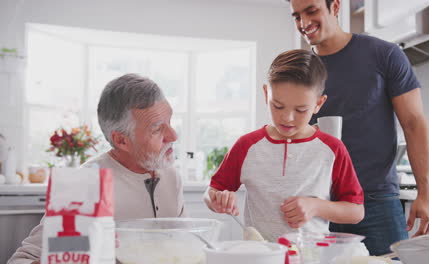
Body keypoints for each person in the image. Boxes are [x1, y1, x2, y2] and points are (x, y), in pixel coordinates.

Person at [288, 0, 429, 255]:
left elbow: (414, 124)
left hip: (377, 203)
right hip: (318, 206)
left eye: (311, 11)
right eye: (297, 16)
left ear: (335, 6)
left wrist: (426, 194)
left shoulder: (384, 54)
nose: (304, 24)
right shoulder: (299, 71)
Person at [8, 73, 184, 264]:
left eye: (170, 122)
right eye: (157, 129)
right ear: (121, 140)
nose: (173, 136)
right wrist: (76, 257)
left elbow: (184, 242)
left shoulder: (170, 175)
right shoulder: (86, 183)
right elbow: (21, 260)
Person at [204, 49, 364, 242]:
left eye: (300, 110)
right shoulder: (247, 146)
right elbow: (212, 191)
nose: (287, 118)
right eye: (278, 106)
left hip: (311, 257)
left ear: (318, 104)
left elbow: (356, 211)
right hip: (259, 256)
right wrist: (217, 200)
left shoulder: (332, 149)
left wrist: (316, 206)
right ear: (266, 94)